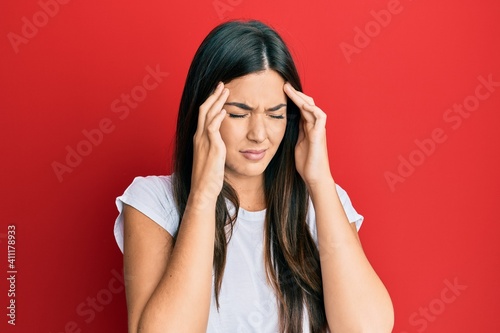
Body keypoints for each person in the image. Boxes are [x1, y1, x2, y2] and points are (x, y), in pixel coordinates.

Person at [113, 20, 394, 333]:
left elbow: (368, 328)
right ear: (204, 111)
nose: (259, 134)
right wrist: (204, 195)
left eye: (275, 115)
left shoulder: (323, 202)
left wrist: (320, 181)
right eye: (238, 114)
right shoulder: (154, 202)